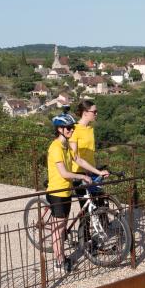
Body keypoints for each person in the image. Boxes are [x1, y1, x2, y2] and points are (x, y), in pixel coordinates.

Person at [46, 112, 108, 272]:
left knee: (62, 226)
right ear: (59, 129)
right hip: (57, 192)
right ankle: (58, 261)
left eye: (72, 127)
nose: (71, 130)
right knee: (58, 229)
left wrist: (97, 172)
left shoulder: (66, 146)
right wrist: (81, 176)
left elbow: (78, 160)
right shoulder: (56, 148)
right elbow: (64, 173)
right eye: (68, 128)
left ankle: (60, 255)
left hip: (66, 191)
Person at [70, 100, 109, 208]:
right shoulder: (74, 129)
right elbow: (75, 156)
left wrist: (96, 170)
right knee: (86, 209)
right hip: (79, 172)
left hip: (91, 170)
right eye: (94, 111)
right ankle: (85, 225)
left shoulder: (90, 128)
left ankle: (104, 224)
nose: (96, 114)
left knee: (101, 203)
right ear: (85, 112)